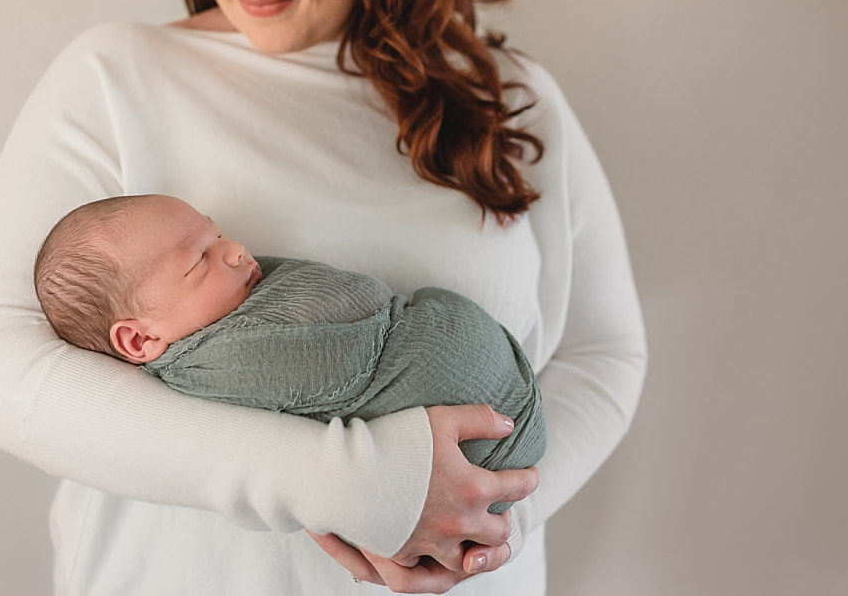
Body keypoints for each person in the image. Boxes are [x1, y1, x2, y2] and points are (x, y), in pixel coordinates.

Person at [0, 0, 647, 593]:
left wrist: (483, 526)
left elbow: (604, 355)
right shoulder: (115, 76)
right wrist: (366, 488)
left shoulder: (510, 96)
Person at [32, 193, 546, 507]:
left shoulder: (227, 307)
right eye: (201, 260)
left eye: (219, 234)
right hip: (477, 444)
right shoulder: (222, 362)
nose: (237, 250)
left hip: (497, 434)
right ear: (140, 340)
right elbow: (334, 366)